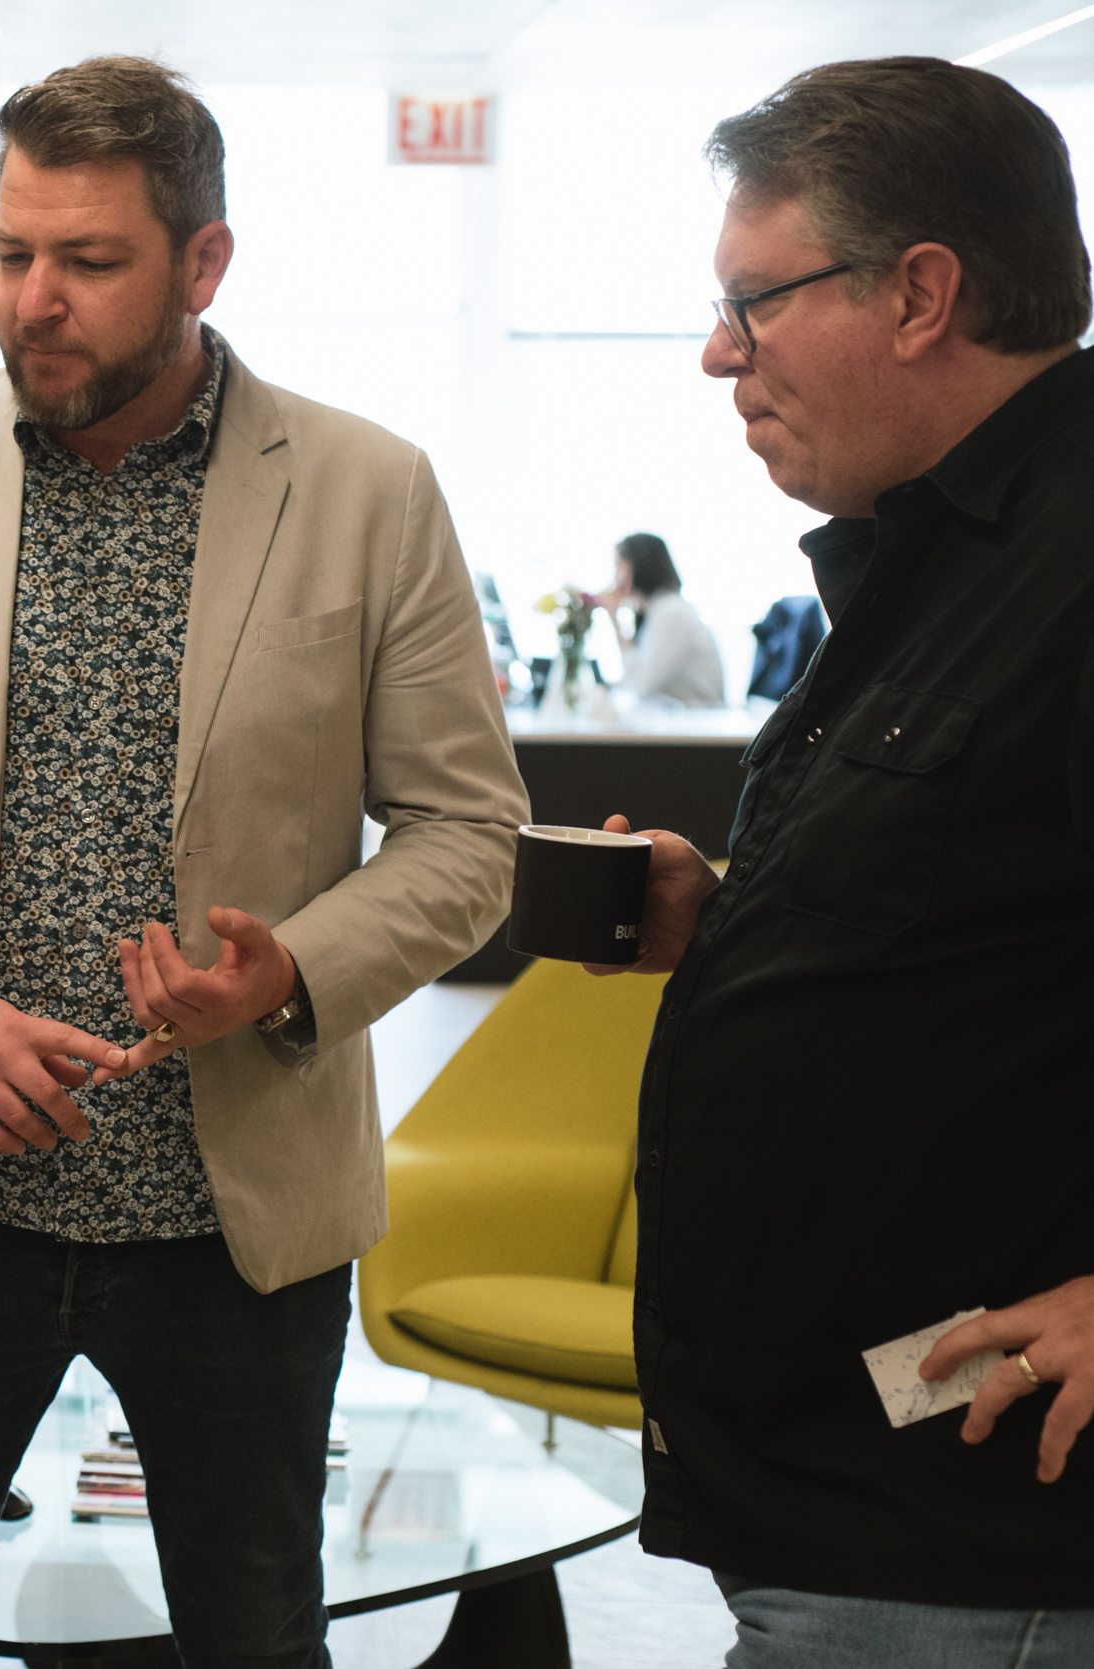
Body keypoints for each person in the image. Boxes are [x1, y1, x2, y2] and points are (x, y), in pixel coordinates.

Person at [0, 56, 526, 1669]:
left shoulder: (369, 493)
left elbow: (466, 836)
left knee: (253, 1637)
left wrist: (289, 967)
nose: (37, 300)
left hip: (231, 1226)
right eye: (13, 253)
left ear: (203, 264)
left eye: (88, 262)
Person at [591, 57, 1094, 1665]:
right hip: (849, 1499)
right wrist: (732, 917)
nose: (719, 353)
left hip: (976, 1542)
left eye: (758, 301)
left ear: (920, 294)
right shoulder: (931, 563)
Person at [601, 532, 725, 706]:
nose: (616, 579)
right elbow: (637, 676)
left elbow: (643, 686)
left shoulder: (672, 614)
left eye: (620, 567)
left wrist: (616, 623)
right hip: (683, 721)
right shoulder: (659, 611)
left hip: (697, 723)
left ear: (639, 567)